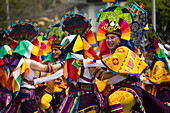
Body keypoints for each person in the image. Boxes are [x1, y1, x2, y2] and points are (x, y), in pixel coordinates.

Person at [84, 18, 169, 113]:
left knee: (113, 99)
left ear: (119, 39)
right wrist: (86, 63)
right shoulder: (112, 56)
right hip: (120, 89)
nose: (109, 40)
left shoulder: (122, 50)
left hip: (130, 88)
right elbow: (102, 76)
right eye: (107, 38)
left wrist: (90, 62)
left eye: (112, 37)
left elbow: (108, 62)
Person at [1, 40, 64, 113]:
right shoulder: (29, 62)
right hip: (28, 96)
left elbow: (41, 74)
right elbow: (49, 69)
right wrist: (63, 63)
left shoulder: (18, 62)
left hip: (20, 95)